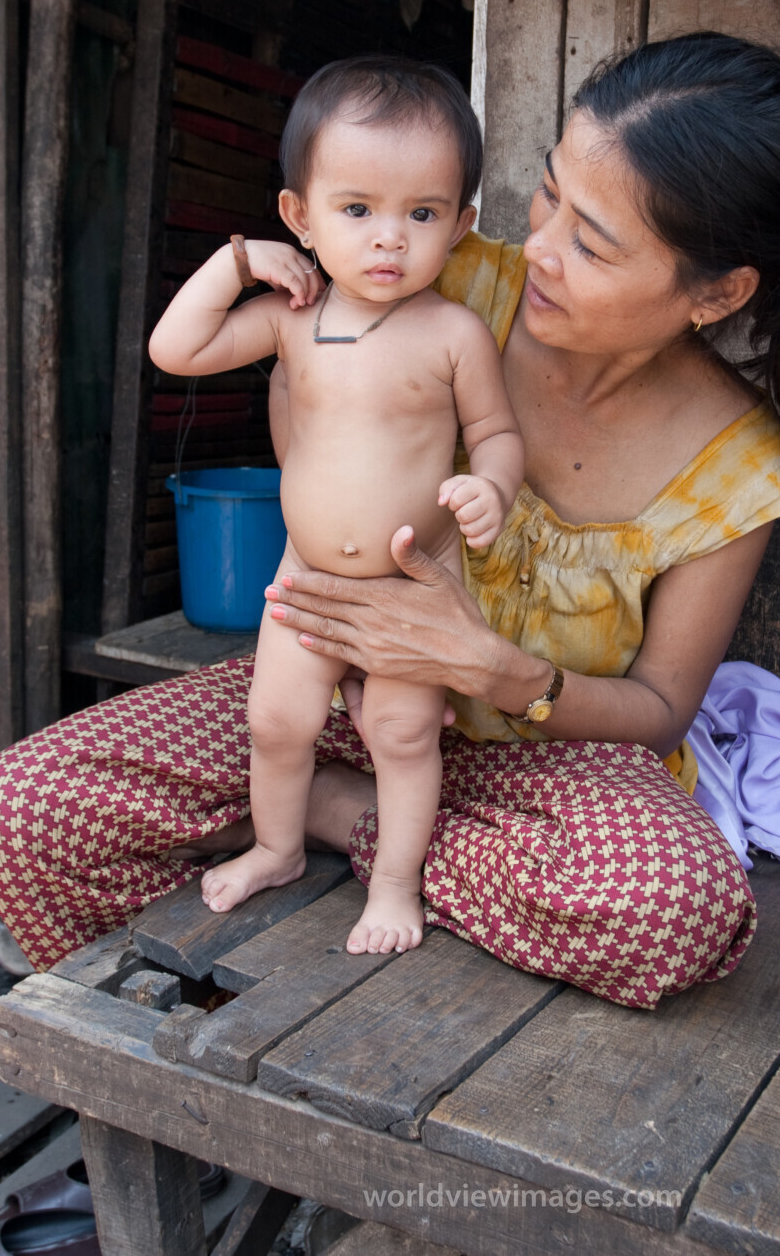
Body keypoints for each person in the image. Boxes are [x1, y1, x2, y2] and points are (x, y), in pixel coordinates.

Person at [0, 33, 780, 1009]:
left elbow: (660, 707)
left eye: (591, 240)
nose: (537, 244)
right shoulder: (442, 277)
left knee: (673, 909)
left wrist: (487, 664)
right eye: (549, 193)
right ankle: (330, 850)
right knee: (19, 809)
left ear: (717, 291)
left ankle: (347, 824)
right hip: (337, 684)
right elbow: (303, 396)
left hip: (549, 762)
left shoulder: (736, 471)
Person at [148, 58, 524, 954]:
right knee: (276, 722)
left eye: (422, 214)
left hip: (405, 585)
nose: (389, 239)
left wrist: (491, 489)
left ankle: (395, 886)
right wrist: (236, 262)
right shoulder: (292, 318)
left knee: (399, 736)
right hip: (304, 576)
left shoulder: (454, 333)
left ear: (462, 227)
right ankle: (277, 846)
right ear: (300, 216)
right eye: (357, 210)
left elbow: (500, 435)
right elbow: (176, 348)